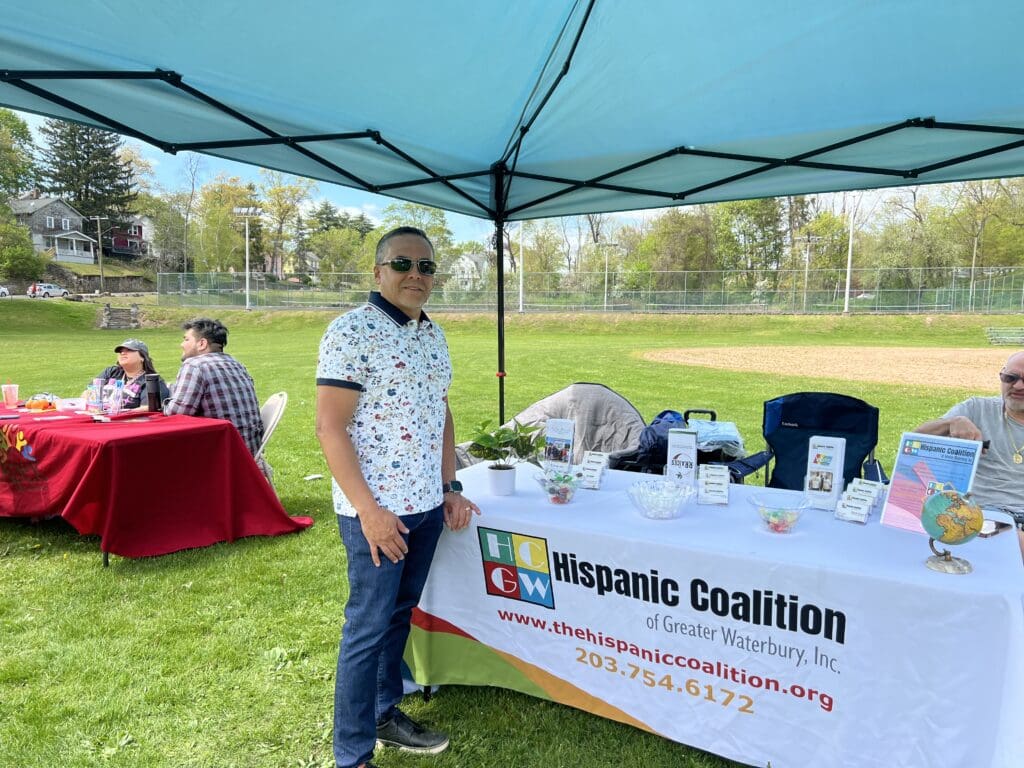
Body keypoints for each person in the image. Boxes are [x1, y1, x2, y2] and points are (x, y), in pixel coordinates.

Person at [316, 226, 479, 768]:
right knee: (366, 626)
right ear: (378, 271)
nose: (417, 274)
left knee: (399, 614)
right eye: (404, 263)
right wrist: (369, 511)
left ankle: (385, 712)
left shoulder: (433, 333)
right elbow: (329, 428)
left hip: (426, 507)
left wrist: (450, 485)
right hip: (377, 514)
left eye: (427, 266)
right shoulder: (351, 332)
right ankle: (352, 754)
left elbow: (441, 413)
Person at [915, 350, 1024, 553]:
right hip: (983, 514)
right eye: (1010, 378)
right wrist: (951, 423)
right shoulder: (977, 408)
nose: (1018, 386)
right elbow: (915, 439)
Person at [163, 317, 264, 456]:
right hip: (250, 453)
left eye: (186, 339)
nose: (182, 344)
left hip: (222, 456)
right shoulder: (236, 363)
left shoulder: (195, 365)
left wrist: (165, 397)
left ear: (202, 343)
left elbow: (177, 413)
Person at [88, 338, 170, 410]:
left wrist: (118, 413)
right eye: (121, 351)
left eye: (129, 350)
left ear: (142, 357)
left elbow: (147, 409)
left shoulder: (152, 381)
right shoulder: (111, 372)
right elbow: (88, 393)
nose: (123, 353)